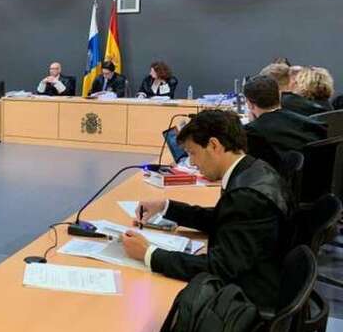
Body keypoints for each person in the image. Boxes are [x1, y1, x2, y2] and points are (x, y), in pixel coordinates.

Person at [121, 110, 290, 309]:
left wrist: (150, 254)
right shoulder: (253, 169)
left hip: (248, 301)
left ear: (213, 145)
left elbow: (219, 268)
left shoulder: (246, 196)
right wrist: (166, 207)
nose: (192, 162)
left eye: (193, 153)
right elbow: (223, 219)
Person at [243, 75, 327, 171]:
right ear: (279, 95)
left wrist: (254, 123)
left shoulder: (252, 132)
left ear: (249, 104)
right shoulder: (313, 124)